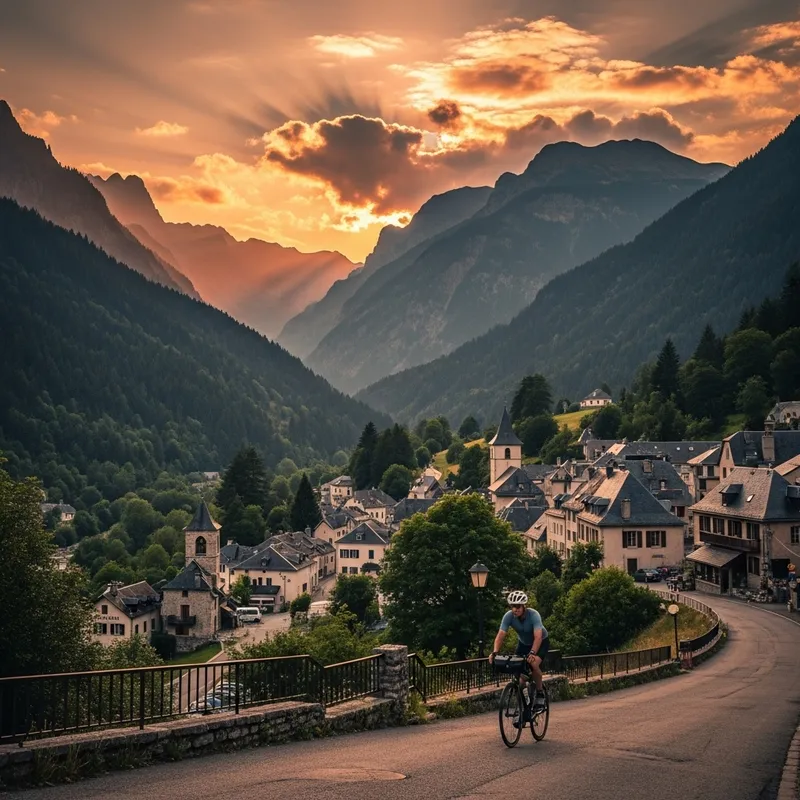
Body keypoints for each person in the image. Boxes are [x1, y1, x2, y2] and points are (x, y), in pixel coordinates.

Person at [488, 590, 549, 726]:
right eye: (513, 606)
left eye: (518, 606)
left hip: (540, 643)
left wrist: (533, 653)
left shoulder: (534, 615)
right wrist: (495, 652)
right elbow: (500, 635)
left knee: (533, 666)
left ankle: (539, 694)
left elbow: (538, 636)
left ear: (523, 606)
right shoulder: (508, 617)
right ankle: (524, 710)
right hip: (523, 644)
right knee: (520, 678)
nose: (515, 609)